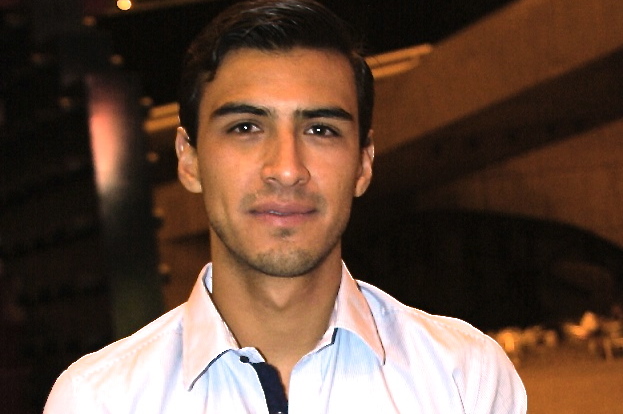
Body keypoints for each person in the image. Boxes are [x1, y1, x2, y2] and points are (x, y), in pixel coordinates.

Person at [44, 0, 527, 412]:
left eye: (321, 129)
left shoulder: (464, 378)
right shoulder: (99, 400)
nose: (287, 168)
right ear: (188, 161)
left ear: (363, 164)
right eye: (245, 128)